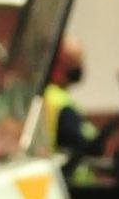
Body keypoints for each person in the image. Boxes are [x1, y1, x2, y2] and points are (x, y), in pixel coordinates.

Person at [43, 36, 101, 184]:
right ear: (57, 65)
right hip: (67, 186)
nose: (80, 68)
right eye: (74, 63)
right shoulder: (57, 101)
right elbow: (87, 144)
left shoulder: (52, 96)